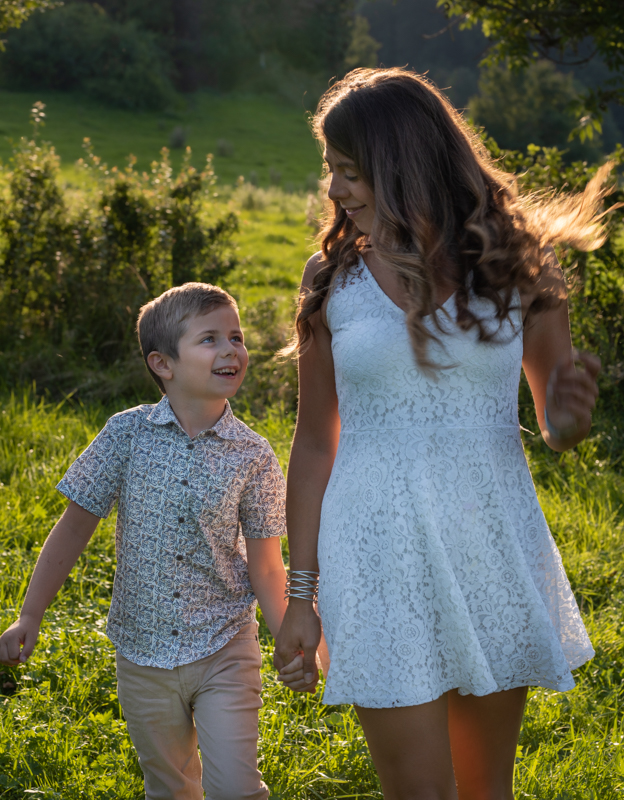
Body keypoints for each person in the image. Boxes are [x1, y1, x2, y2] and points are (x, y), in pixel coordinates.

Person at [275, 68, 606, 800]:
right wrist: (302, 594)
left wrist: (571, 418)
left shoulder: (518, 264)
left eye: (350, 171)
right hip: (374, 550)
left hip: (488, 541)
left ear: (407, 164)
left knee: (488, 790)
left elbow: (555, 423)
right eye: (331, 169)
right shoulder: (330, 279)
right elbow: (314, 443)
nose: (334, 190)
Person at [0, 282, 301, 800]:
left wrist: (286, 638)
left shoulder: (254, 455)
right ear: (163, 364)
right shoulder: (125, 434)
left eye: (236, 336)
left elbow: (267, 565)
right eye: (210, 339)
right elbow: (74, 526)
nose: (231, 350)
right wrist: (31, 614)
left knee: (236, 786)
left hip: (224, 644)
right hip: (141, 650)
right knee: (168, 786)